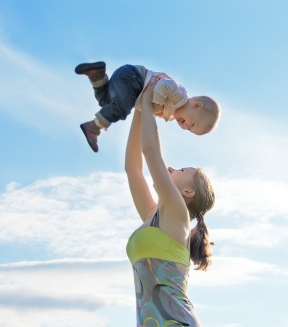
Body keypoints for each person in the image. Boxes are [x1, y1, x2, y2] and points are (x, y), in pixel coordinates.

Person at [125, 77, 216, 326]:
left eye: (182, 171)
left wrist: (147, 98)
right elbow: (133, 169)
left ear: (188, 193)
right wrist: (140, 110)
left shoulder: (178, 215)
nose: (174, 168)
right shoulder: (154, 216)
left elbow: (151, 152)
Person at [75, 61, 221, 152]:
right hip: (134, 78)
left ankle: (98, 75)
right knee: (122, 108)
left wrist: (159, 112)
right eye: (192, 124)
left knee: (106, 103)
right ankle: (93, 128)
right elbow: (165, 84)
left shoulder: (171, 112)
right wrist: (153, 106)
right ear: (196, 105)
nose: (186, 127)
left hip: (126, 83)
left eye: (189, 130)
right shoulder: (180, 96)